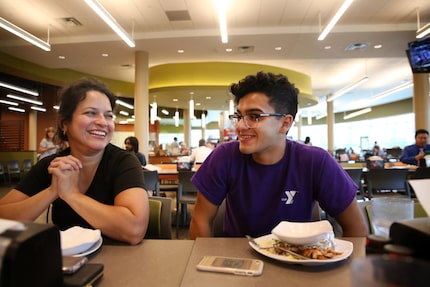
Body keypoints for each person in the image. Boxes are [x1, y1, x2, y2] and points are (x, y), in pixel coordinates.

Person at [189, 71, 367, 239]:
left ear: (284, 123)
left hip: (296, 260)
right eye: (239, 116)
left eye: (254, 116)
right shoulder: (224, 156)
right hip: (240, 261)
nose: (240, 126)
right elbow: (200, 220)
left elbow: (357, 229)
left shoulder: (315, 161)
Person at [0, 78, 149, 245]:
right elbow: (3, 218)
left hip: (121, 261)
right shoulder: (51, 166)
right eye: (91, 113)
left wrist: (72, 195)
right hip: (65, 263)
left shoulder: (124, 162)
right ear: (65, 124)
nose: (102, 122)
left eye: (108, 116)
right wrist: (52, 191)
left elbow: (134, 230)